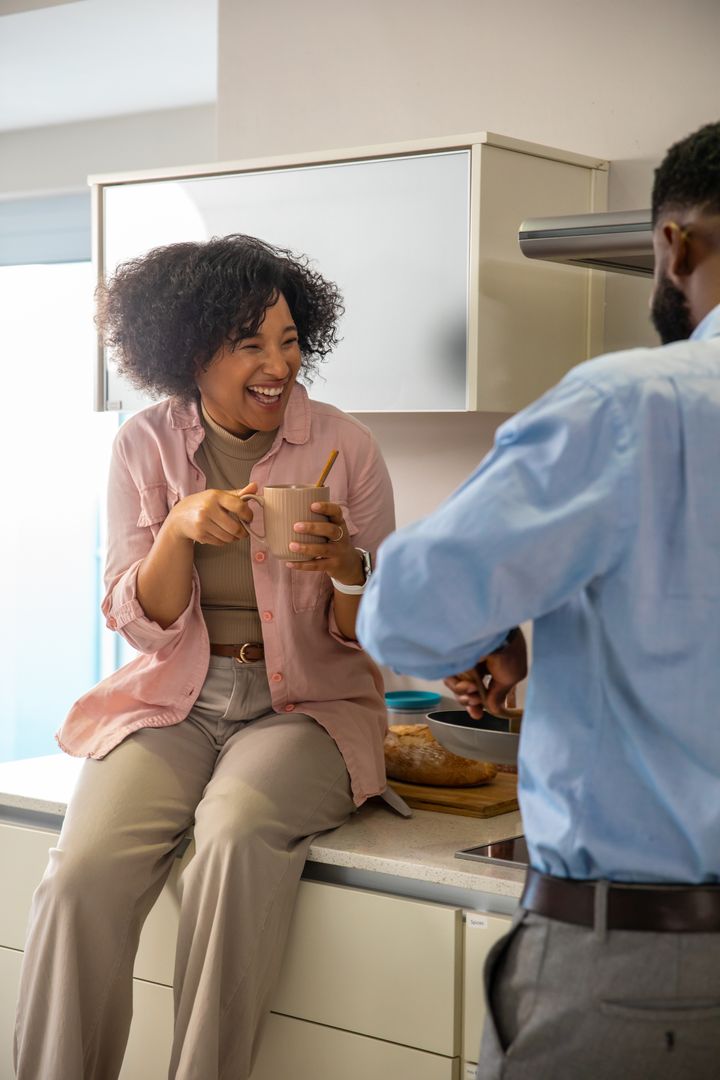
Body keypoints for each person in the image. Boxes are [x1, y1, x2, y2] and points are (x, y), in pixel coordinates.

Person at [356, 119, 720, 1080]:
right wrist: (542, 642)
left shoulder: (632, 407)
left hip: (653, 974)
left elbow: (406, 612)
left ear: (672, 244)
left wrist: (486, 629)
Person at [14, 234, 400, 1080]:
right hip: (173, 700)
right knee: (80, 876)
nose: (279, 364)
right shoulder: (143, 445)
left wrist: (349, 569)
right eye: (250, 342)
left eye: (291, 340)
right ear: (191, 353)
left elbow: (379, 636)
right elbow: (140, 624)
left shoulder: (348, 447)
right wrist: (181, 532)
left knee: (232, 832)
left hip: (305, 706)